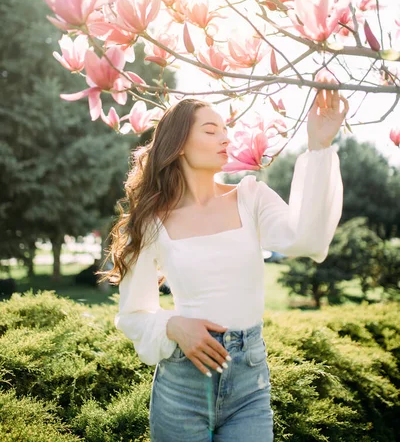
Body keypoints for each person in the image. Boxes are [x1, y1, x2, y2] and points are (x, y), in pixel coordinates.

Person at [98, 90, 348, 442]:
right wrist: (174, 325)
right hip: (183, 385)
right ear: (180, 143)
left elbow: (306, 238)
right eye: (211, 130)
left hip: (249, 381)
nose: (225, 137)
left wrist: (319, 146)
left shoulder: (250, 196)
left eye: (225, 129)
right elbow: (132, 314)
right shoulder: (152, 222)